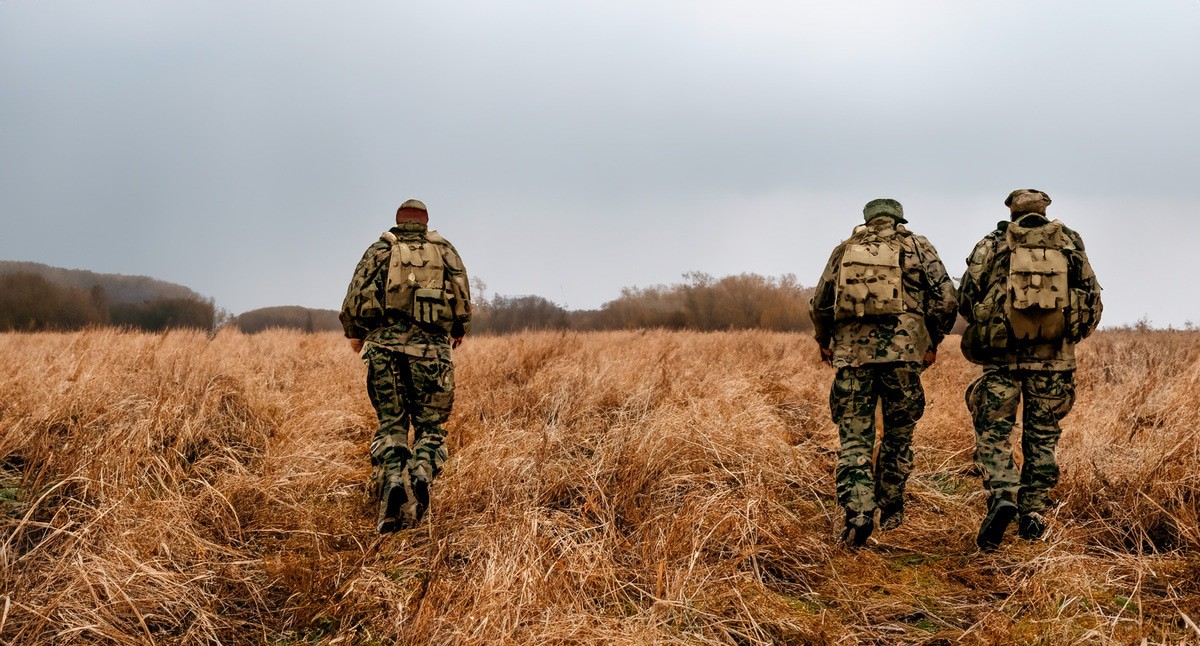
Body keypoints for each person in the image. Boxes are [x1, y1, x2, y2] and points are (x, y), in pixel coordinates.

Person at [809, 198, 958, 546]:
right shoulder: (919, 247)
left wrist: (824, 340)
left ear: (867, 220)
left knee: (854, 438)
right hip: (904, 357)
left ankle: (859, 512)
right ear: (899, 219)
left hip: (853, 357)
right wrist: (931, 341)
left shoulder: (845, 249)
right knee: (898, 436)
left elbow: (821, 302)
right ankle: (890, 506)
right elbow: (947, 299)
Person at [958, 189, 1101, 551]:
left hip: (1002, 359)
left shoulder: (992, 244)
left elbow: (967, 297)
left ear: (1011, 211)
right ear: (1045, 210)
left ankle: (1003, 494)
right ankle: (1033, 512)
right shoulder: (1069, 244)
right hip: (1054, 360)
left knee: (994, 431)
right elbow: (1092, 297)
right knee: (1042, 436)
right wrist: (1069, 335)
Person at [340, 199, 472, 534]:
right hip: (432, 353)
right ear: (425, 222)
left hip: (384, 351)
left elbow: (354, 298)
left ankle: (393, 485)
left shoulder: (379, 250)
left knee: (391, 426)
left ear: (399, 221)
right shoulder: (445, 250)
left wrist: (356, 336)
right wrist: (458, 330)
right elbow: (462, 297)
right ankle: (421, 475)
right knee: (430, 429)